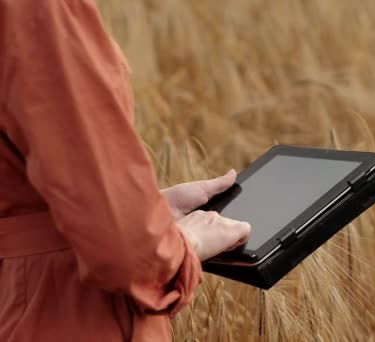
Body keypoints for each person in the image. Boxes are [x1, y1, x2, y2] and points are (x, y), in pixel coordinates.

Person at [0, 0, 251, 341]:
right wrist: (181, 242)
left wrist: (148, 211)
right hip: (66, 308)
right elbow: (128, 255)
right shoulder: (39, 9)